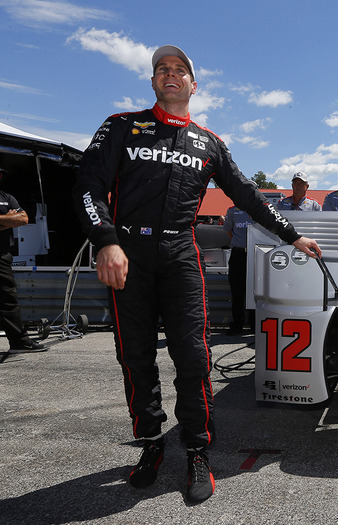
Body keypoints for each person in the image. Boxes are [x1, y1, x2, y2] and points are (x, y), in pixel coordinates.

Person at [72, 45, 321, 504]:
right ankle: (150, 443)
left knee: (193, 356)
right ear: (152, 82)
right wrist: (106, 240)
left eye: (180, 70)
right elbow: (88, 185)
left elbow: (247, 195)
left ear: (193, 84)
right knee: (135, 356)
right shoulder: (121, 126)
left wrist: (292, 236)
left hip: (180, 254)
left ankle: (196, 449)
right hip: (127, 253)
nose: (171, 75)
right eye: (162, 69)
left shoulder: (208, 142)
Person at [0, 168, 46, 354]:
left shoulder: (7, 197)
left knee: (8, 299)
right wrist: (8, 219)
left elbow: (24, 218)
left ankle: (19, 342)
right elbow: (15, 220)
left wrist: (13, 219)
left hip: (1, 256)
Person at [223, 203, 255, 335]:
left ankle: (254, 326)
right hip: (238, 254)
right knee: (237, 290)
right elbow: (229, 231)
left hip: (255, 254)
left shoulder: (259, 209)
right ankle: (237, 324)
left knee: (254, 290)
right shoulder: (232, 211)